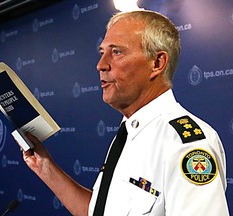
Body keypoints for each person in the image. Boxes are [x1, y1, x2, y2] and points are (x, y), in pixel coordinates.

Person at [21, 10, 229, 216]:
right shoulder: (129, 131)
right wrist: (44, 166)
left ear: (157, 63)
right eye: (102, 53)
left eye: (117, 52)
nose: (101, 65)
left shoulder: (186, 144)